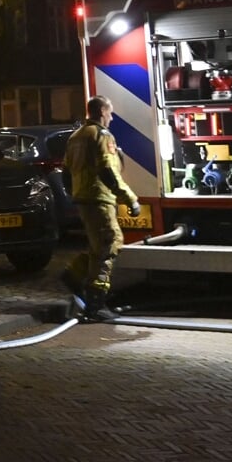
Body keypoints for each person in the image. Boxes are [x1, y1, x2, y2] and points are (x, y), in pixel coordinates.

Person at [63, 95, 141, 321]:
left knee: (97, 245)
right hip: (99, 198)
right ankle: (96, 304)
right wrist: (130, 199)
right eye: (110, 112)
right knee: (109, 243)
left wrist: (75, 194)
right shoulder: (102, 135)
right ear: (101, 112)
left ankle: (74, 275)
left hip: (84, 199)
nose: (112, 117)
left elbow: (66, 171)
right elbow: (107, 170)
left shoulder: (76, 136)